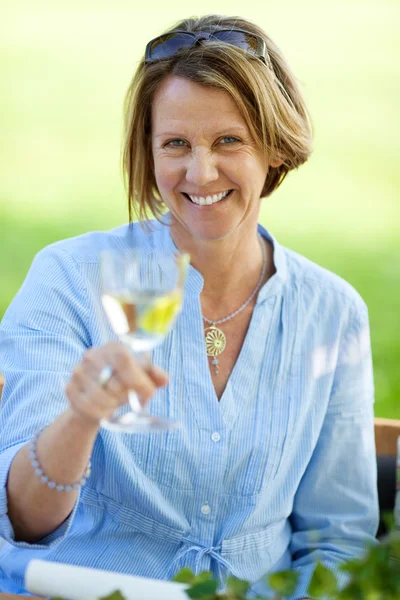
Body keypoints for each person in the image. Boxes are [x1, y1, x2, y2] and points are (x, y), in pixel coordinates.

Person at [0, 14, 378, 599]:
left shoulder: (332, 313)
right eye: (176, 143)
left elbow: (338, 541)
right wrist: (81, 419)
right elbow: (23, 523)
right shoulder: (70, 280)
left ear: (274, 148)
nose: (200, 172)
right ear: (147, 153)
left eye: (228, 140)